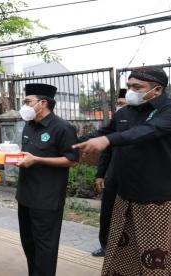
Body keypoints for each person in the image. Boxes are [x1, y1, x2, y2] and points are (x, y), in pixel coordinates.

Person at [73, 66, 171, 275]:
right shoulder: (125, 113)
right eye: (128, 87)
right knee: (122, 251)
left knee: (157, 257)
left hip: (157, 200)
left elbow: (147, 131)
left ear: (157, 90)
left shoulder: (167, 111)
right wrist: (65, 143)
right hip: (125, 196)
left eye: (137, 87)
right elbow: (102, 132)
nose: (130, 92)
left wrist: (107, 140)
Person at [15, 83, 79, 276]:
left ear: (42, 103)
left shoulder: (63, 128)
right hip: (25, 195)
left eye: (28, 101)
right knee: (28, 242)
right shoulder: (29, 125)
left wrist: (37, 160)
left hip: (47, 198)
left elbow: (72, 160)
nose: (24, 106)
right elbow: (27, 154)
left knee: (45, 247)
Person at [91, 88, 127, 257]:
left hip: (134, 179)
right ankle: (105, 246)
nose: (121, 107)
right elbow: (106, 152)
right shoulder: (116, 124)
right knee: (107, 213)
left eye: (124, 104)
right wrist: (100, 174)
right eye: (119, 104)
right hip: (113, 176)